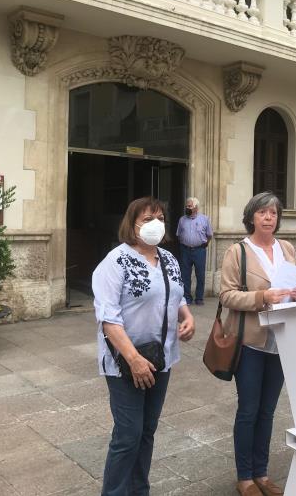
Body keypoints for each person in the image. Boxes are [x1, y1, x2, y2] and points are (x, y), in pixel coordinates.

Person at [93, 197, 196, 496]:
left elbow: (177, 295)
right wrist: (133, 359)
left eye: (161, 218)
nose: (156, 224)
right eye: (148, 218)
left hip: (161, 359)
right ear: (132, 223)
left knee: (146, 432)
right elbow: (108, 317)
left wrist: (186, 317)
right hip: (126, 361)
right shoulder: (115, 261)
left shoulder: (169, 258)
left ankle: (139, 490)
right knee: (128, 435)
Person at [219, 192, 296, 496]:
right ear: (252, 217)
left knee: (268, 411)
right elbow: (227, 295)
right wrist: (261, 297)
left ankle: (262, 472)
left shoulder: (287, 248)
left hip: (282, 340)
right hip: (251, 343)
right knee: (248, 410)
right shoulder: (237, 252)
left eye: (273, 213)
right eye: (263, 213)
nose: (269, 218)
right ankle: (245, 476)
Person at [176, 197, 213, 306]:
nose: (187, 208)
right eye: (187, 206)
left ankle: (199, 298)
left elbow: (209, 235)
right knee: (185, 275)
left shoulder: (204, 219)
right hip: (185, 250)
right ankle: (187, 298)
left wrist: (204, 244)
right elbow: (178, 234)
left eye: (190, 206)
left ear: (196, 208)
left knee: (200, 275)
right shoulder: (182, 220)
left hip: (199, 250)